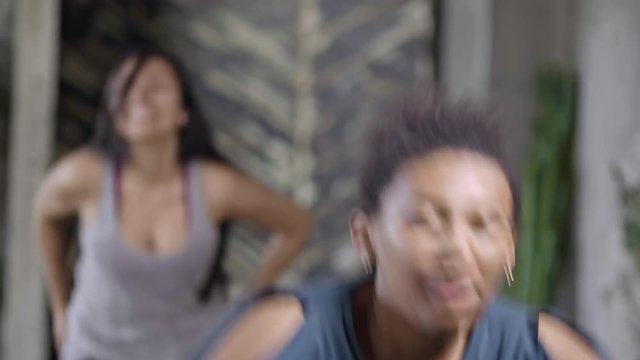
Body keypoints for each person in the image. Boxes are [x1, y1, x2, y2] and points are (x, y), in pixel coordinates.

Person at [197, 91, 608, 360]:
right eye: (426, 222)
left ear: (511, 247)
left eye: (483, 225)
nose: (457, 251)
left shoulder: (546, 349)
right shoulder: (281, 335)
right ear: (365, 235)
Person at [35, 46, 312, 359]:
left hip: (193, 350)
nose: (139, 97)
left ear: (183, 112)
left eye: (157, 87)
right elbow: (44, 215)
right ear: (116, 115)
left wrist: (249, 302)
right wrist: (60, 307)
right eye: (126, 88)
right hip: (94, 350)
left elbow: (296, 224)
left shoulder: (214, 186)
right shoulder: (83, 176)